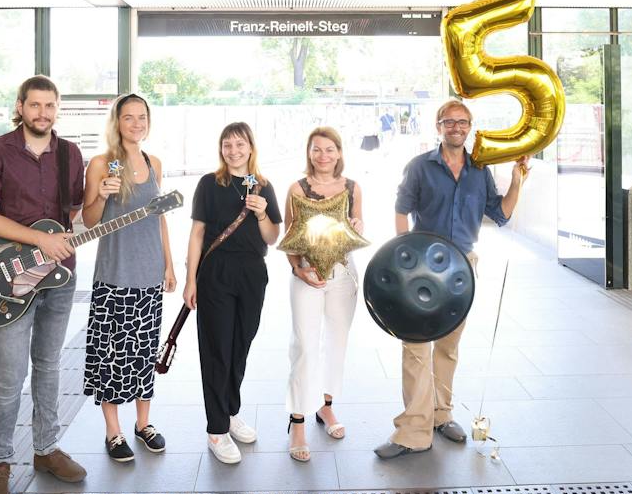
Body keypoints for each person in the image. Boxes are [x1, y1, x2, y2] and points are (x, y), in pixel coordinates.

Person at [375, 98, 530, 460]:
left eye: (463, 122)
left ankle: (441, 415)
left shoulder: (480, 170)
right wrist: (402, 257)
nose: (456, 127)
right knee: (415, 348)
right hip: (420, 270)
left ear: (470, 127)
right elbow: (401, 210)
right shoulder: (419, 167)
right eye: (449, 122)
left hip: (462, 269)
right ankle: (413, 430)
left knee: (447, 347)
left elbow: (501, 214)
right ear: (438, 126)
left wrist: (517, 181)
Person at [0, 75, 88, 494]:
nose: (42, 113)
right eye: (34, 105)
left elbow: (75, 214)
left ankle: (46, 449)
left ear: (58, 109)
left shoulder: (70, 154)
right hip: (9, 280)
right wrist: (38, 240)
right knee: (9, 375)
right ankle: (0, 462)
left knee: (50, 366)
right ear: (20, 106)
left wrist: (105, 205)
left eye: (50, 106)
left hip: (59, 276)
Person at [81, 93, 175, 462]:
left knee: (143, 350)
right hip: (115, 274)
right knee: (110, 353)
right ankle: (113, 431)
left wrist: (169, 264)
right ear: (116, 122)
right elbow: (89, 221)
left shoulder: (155, 164)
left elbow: (160, 216)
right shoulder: (101, 164)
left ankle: (142, 423)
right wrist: (102, 196)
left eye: (142, 117)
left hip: (149, 272)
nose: (136, 124)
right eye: (128, 118)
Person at [183, 122, 282, 465]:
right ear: (221, 149)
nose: (234, 150)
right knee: (217, 350)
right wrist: (190, 279)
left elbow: (272, 237)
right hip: (216, 272)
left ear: (251, 148)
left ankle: (230, 410)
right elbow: (197, 233)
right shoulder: (209, 184)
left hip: (253, 273)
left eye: (240, 144)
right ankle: (216, 428)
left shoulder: (264, 186)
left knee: (241, 344)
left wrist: (263, 212)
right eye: (227, 144)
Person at [281, 127, 362, 463]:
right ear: (309, 153)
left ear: (339, 153)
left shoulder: (353, 188)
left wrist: (356, 228)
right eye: (317, 150)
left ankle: (325, 408)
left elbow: (357, 231)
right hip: (307, 274)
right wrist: (297, 268)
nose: (324, 156)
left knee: (336, 344)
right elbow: (288, 237)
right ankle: (297, 421)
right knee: (304, 346)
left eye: (330, 150)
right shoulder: (297, 189)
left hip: (343, 275)